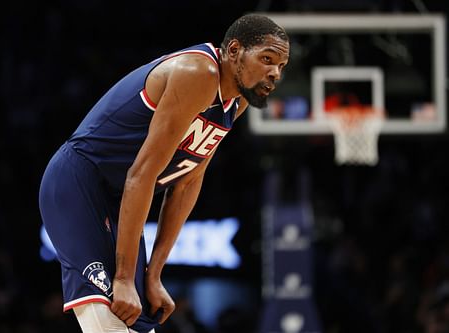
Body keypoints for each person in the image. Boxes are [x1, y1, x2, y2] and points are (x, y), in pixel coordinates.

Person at [39, 13, 289, 333]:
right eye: (267, 59)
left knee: (140, 325)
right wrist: (126, 277)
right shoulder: (199, 71)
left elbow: (187, 183)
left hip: (118, 200)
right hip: (79, 183)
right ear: (235, 50)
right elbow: (141, 174)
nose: (275, 73)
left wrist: (153, 275)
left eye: (281, 66)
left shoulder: (234, 103)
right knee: (107, 322)